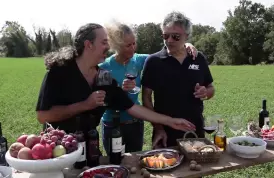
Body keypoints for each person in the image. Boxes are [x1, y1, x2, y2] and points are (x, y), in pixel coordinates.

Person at [36, 23, 196, 140]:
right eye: (104, 42)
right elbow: (43, 115)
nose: (109, 46)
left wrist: (171, 121)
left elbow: (132, 107)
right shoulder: (60, 71)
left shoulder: (103, 77)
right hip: (57, 148)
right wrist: (85, 105)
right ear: (88, 45)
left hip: (88, 144)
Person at [98, 21, 198, 155]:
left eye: (134, 43)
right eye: (128, 45)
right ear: (117, 46)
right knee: (115, 162)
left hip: (136, 123)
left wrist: (185, 44)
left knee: (135, 161)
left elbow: (164, 55)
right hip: (112, 125)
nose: (133, 48)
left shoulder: (139, 60)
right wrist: (118, 91)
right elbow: (103, 101)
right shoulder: (104, 67)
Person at [141, 11, 215, 149]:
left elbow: (211, 88)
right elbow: (146, 98)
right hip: (165, 133)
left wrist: (206, 92)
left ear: (186, 36)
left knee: (197, 168)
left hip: (194, 129)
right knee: (165, 167)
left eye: (175, 36)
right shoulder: (153, 61)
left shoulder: (198, 58)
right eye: (165, 35)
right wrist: (158, 127)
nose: (169, 40)